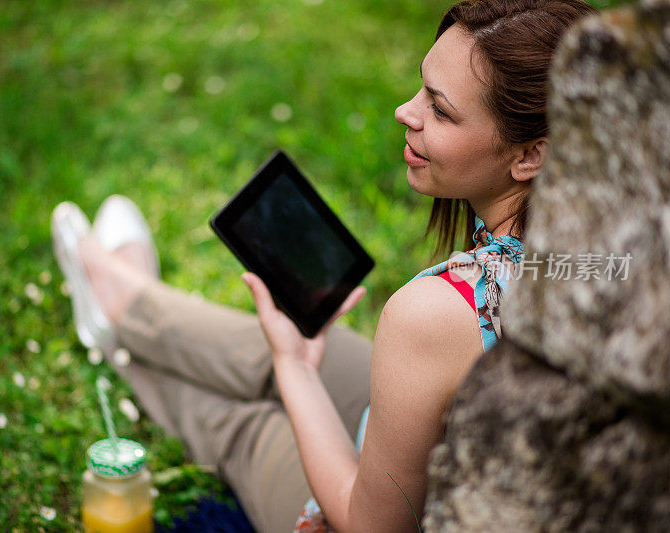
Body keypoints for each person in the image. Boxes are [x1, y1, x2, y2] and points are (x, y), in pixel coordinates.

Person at [50, 1, 598, 531]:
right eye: (422, 89)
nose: (405, 112)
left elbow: (371, 526)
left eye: (440, 109)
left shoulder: (436, 314)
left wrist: (294, 367)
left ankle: (115, 326)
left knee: (250, 424)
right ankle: (128, 300)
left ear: (532, 155)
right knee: (305, 344)